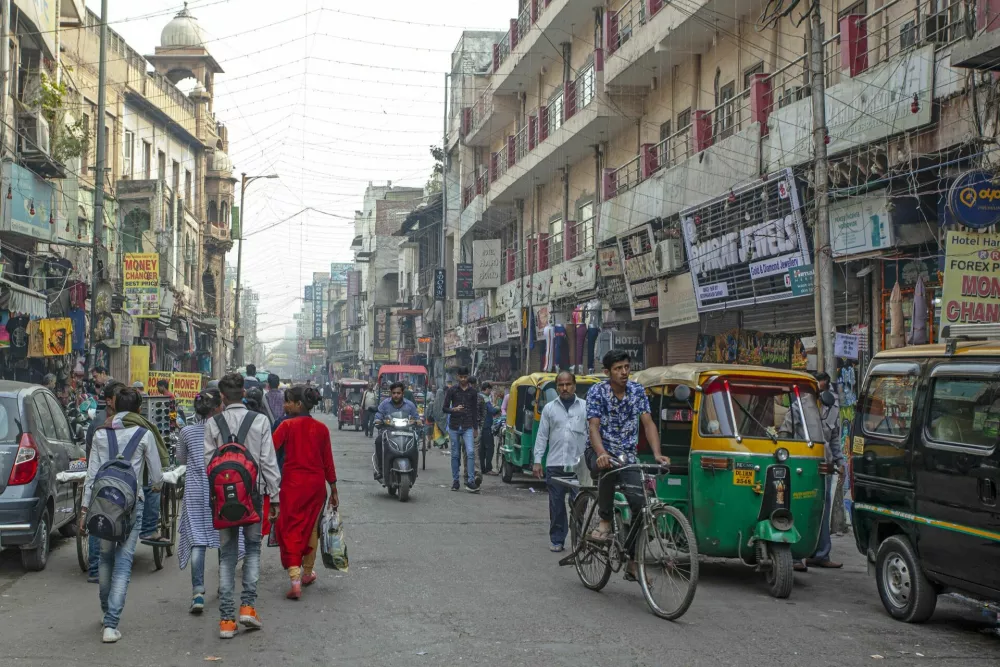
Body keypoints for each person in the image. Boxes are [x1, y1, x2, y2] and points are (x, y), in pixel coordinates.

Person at [79, 387, 163, 643]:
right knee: (123, 562)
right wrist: (153, 485)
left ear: (114, 406)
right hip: (130, 506)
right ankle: (111, 623)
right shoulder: (144, 434)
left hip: (102, 504)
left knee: (105, 557)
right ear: (139, 410)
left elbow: (91, 476)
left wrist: (84, 510)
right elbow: (157, 477)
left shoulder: (101, 433)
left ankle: (106, 613)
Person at [204, 373, 282, 639]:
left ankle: (226, 620)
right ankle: (248, 607)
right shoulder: (259, 420)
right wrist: (275, 495)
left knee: (226, 556)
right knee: (251, 551)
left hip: (223, 500)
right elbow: (268, 462)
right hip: (254, 497)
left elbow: (209, 466)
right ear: (245, 394)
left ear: (222, 397)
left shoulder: (213, 423)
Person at [585, 350, 669, 580]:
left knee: (641, 504)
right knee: (608, 466)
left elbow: (648, 423)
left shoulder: (637, 391)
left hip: (628, 457)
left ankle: (632, 561)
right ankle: (604, 521)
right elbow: (593, 427)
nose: (624, 372)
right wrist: (602, 453)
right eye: (618, 368)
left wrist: (657, 454)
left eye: (626, 367)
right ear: (607, 372)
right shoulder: (597, 392)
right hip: (598, 451)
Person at [272, 386, 338, 599]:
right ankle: (308, 572)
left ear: (299, 404)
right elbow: (328, 462)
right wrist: (334, 488)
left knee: (291, 527)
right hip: (316, 486)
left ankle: (295, 579)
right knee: (311, 528)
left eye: (288, 401)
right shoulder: (322, 429)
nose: (285, 406)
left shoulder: (286, 426)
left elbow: (269, 452)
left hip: (292, 485)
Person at [781, 371, 844, 572]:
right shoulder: (799, 405)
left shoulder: (833, 408)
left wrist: (840, 461)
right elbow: (786, 430)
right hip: (803, 464)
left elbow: (834, 437)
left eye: (824, 388)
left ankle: (821, 554)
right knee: (801, 505)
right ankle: (797, 555)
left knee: (823, 507)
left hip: (824, 464)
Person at [176, 389, 223, 614]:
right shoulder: (222, 430)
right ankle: (224, 585)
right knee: (225, 537)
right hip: (219, 486)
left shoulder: (186, 432)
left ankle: (197, 593)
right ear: (215, 408)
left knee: (198, 541)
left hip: (195, 490)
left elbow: (181, 459)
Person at [533, 371, 587, 552]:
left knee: (579, 504)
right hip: (555, 464)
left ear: (574, 386)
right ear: (557, 387)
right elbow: (542, 436)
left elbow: (592, 435)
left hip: (579, 466)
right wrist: (537, 460)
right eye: (561, 385)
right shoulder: (549, 408)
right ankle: (557, 539)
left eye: (568, 384)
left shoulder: (585, 407)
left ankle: (579, 539)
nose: (564, 388)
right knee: (556, 506)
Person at [84, 380, 125, 583]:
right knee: (97, 522)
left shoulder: (124, 420)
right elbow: (91, 458)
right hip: (103, 480)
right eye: (120, 396)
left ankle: (105, 565)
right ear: (109, 401)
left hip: (117, 480)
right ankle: (95, 567)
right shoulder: (99, 424)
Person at [442, 367, 480, 493]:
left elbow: (475, 411)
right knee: (455, 454)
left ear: (468, 376)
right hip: (454, 426)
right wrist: (454, 409)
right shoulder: (452, 390)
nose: (463, 379)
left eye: (465, 377)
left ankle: (470, 481)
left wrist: (475, 428)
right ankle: (455, 481)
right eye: (461, 377)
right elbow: (445, 408)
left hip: (468, 426)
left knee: (470, 452)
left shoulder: (473, 392)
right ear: (457, 377)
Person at [373, 382, 419, 480]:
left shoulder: (410, 405)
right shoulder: (385, 404)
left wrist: (418, 421)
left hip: (407, 433)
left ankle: (414, 469)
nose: (396, 395)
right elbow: (378, 415)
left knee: (416, 442)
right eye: (394, 393)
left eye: (398, 393)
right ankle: (381, 470)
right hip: (388, 432)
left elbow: (416, 417)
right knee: (378, 441)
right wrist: (377, 420)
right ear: (391, 393)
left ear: (403, 393)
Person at [479, 381, 500, 476]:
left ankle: (482, 468)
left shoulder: (478, 395)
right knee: (490, 447)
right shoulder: (485, 398)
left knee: (482, 448)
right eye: (490, 390)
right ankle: (488, 469)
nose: (491, 392)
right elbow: (491, 410)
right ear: (487, 389)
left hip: (480, 426)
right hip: (486, 426)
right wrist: (498, 408)